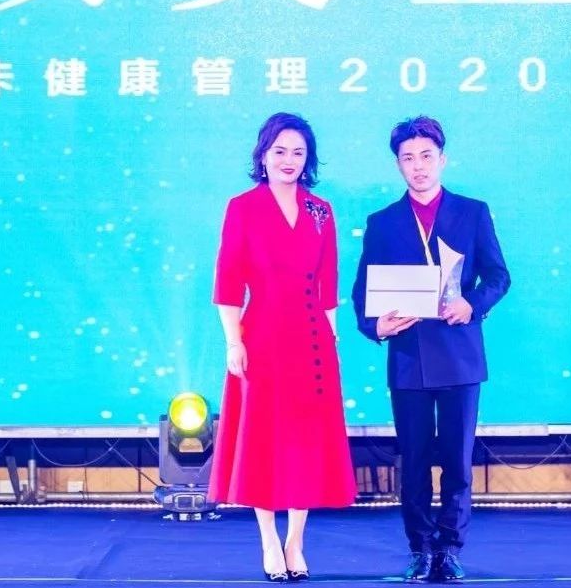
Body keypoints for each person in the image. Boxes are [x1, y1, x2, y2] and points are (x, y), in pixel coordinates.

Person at [351, 116, 510, 583]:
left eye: (426, 156)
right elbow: (363, 291)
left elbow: (498, 276)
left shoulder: (473, 212)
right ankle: (420, 548)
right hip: (409, 356)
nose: (418, 166)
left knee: (457, 460)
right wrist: (375, 325)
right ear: (398, 165)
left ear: (443, 159)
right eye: (408, 158)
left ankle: (451, 548)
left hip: (460, 354)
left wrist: (472, 304)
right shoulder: (382, 223)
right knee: (415, 460)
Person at [208, 112, 357, 583]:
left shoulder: (320, 210)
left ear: (308, 159)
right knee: (263, 440)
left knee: (305, 442)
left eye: (298, 152)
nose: (288, 160)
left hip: (311, 340)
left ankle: (295, 540)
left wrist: (332, 337)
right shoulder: (243, 207)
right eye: (279, 151)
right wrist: (234, 342)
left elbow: (328, 283)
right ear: (263, 155)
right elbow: (228, 283)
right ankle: (269, 540)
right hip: (262, 337)